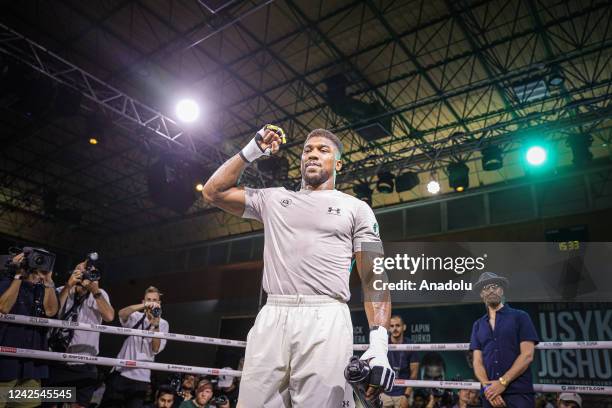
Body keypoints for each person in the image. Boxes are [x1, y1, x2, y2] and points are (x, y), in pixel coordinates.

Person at [202, 126, 394, 407]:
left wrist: (379, 343)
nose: (313, 154)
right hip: (273, 315)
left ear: (338, 163)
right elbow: (213, 192)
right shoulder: (274, 199)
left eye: (323, 150)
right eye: (308, 150)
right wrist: (252, 150)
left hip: (326, 317)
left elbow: (373, 275)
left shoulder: (356, 208)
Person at [46, 259, 115, 408]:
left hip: (85, 365)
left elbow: (109, 317)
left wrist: (95, 290)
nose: (85, 275)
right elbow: (52, 313)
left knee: (79, 405)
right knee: (51, 404)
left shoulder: (99, 294)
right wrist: (69, 285)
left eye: (90, 272)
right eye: (82, 270)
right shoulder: (60, 290)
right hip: (59, 362)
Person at [469, 272, 539, 408]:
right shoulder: (478, 325)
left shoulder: (521, 317)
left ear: (501, 290)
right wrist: (489, 389)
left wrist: (502, 383)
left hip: (518, 393)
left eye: (494, 286)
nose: (490, 290)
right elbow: (477, 362)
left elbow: (527, 355)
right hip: (490, 396)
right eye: (486, 288)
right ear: (481, 294)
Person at [0, 251, 58, 408]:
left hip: (32, 367)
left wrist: (48, 280)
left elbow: (51, 311)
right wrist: (19, 275)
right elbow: (3, 308)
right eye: (37, 263)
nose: (39, 270)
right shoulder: (6, 282)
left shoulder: (43, 289)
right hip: (4, 364)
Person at [102, 286, 170, 408]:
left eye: (154, 300)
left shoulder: (163, 324)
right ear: (143, 301)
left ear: (159, 303)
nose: (151, 303)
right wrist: (144, 306)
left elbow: (155, 349)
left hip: (141, 378)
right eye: (148, 299)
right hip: (121, 373)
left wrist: (155, 325)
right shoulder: (136, 316)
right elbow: (121, 313)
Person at [381, 315, 419, 408]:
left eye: (398, 325)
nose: (394, 329)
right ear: (389, 328)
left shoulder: (410, 345)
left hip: (403, 393)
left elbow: (414, 373)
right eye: (392, 326)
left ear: (404, 327)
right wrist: (379, 392)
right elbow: (378, 369)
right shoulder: (383, 344)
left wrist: (406, 396)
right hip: (385, 393)